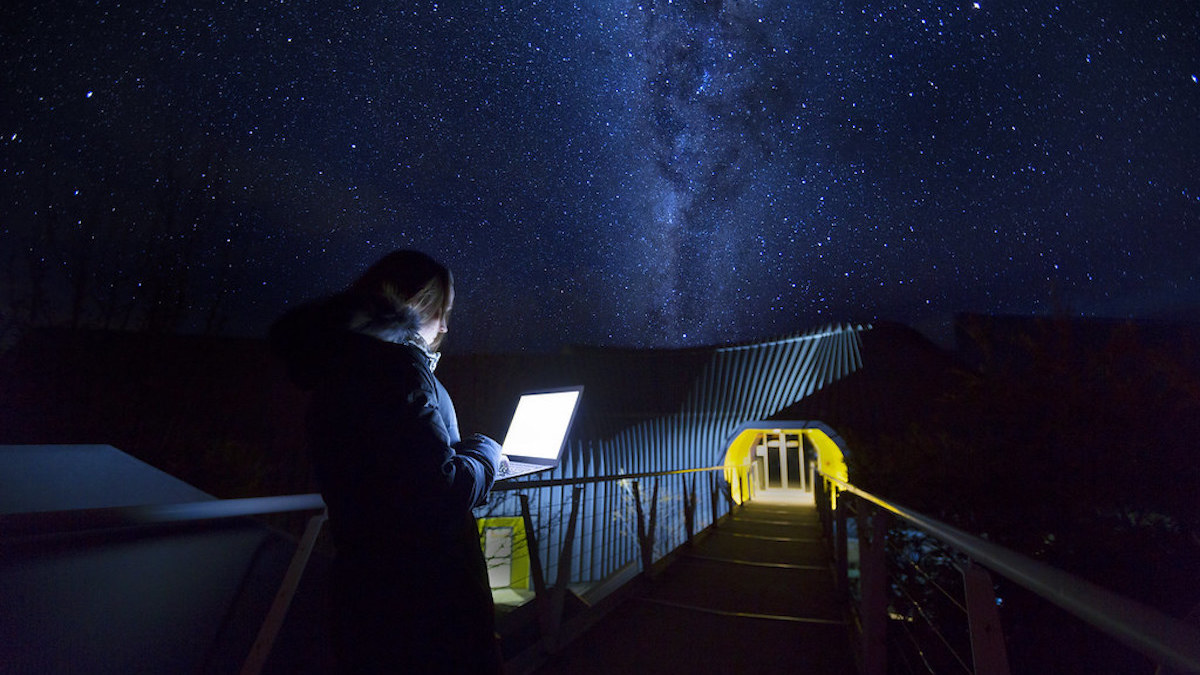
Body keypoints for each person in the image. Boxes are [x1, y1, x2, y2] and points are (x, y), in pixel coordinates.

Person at [270, 250, 505, 674]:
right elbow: (439, 491)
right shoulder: (398, 371)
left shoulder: (341, 367)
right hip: (427, 604)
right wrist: (487, 452)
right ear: (415, 306)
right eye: (442, 311)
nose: (446, 327)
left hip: (366, 595)